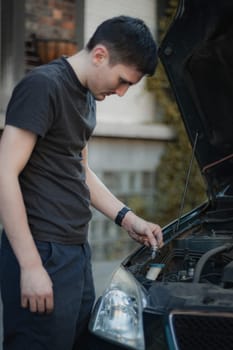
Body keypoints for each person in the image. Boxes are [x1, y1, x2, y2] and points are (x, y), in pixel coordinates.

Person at [0, 15, 163, 350]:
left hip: (75, 251)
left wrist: (127, 218)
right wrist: (30, 266)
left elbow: (80, 171)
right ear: (100, 55)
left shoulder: (87, 95)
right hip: (43, 250)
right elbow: (4, 172)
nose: (120, 92)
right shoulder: (43, 86)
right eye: (122, 82)